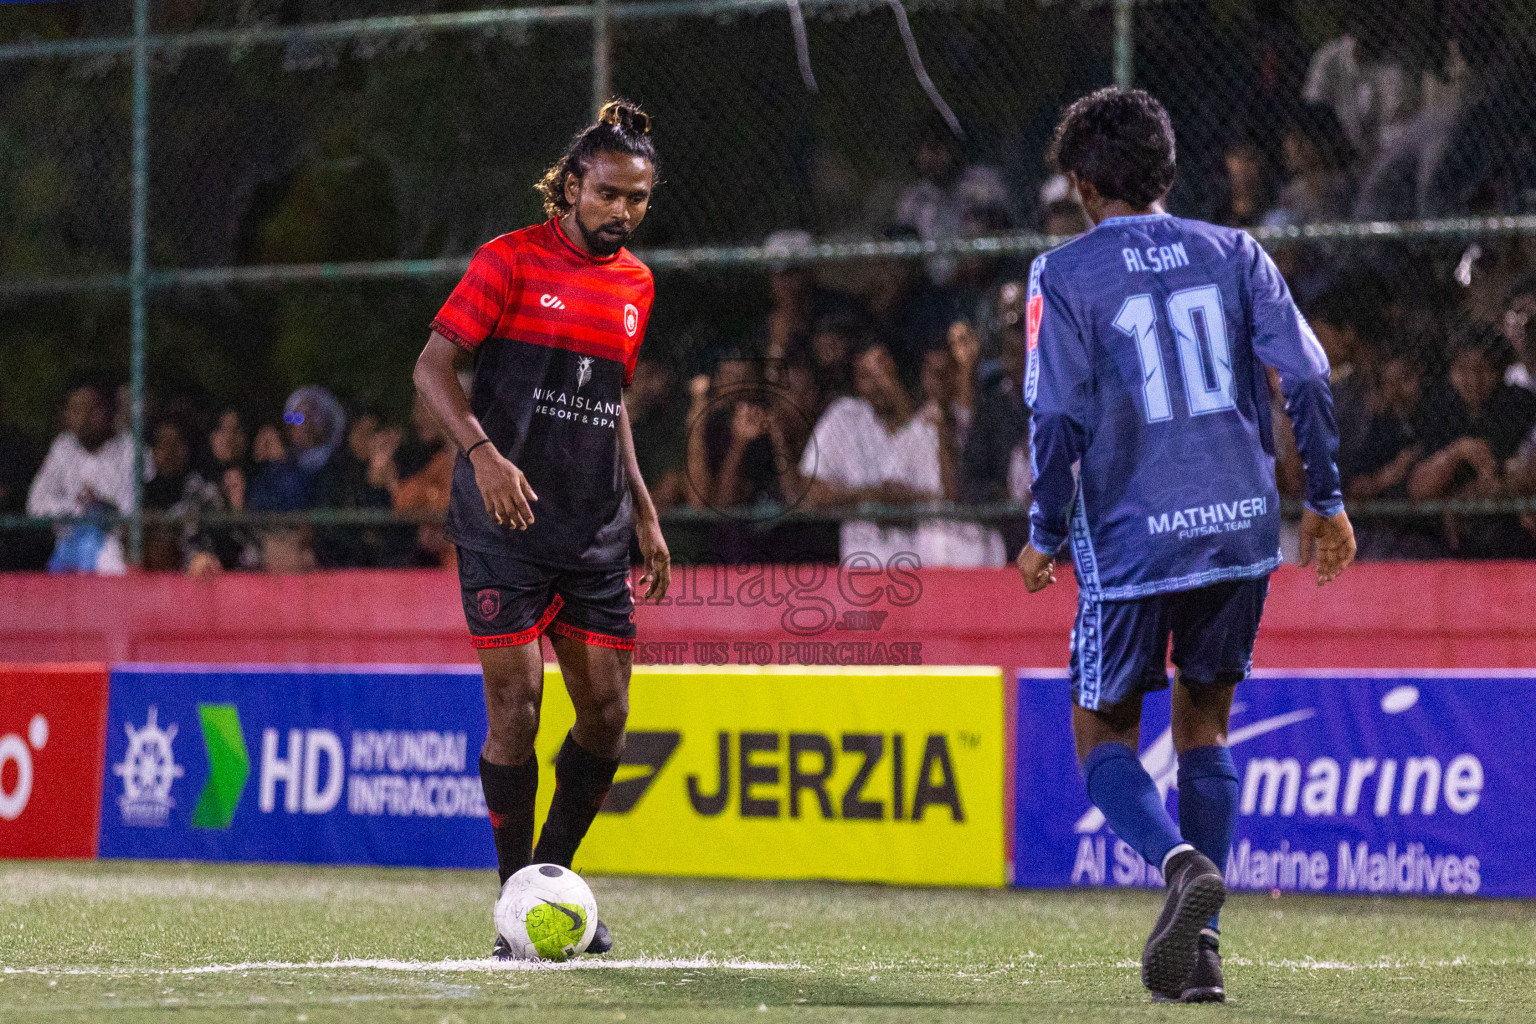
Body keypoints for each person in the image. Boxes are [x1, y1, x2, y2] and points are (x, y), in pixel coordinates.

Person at [1016, 88, 1355, 1003]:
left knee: (1101, 731)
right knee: (1205, 724)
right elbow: (1310, 375)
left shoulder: (1062, 271)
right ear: (1166, 170)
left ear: (1082, 183)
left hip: (1131, 540)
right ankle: (1202, 947)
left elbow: (1054, 415)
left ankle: (1175, 865)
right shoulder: (1235, 250)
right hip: (1241, 531)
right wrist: (1323, 498)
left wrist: (1045, 532)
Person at [412, 99, 669, 959]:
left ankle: (541, 891)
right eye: (608, 195)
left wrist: (643, 505)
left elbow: (610, 401)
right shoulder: (509, 262)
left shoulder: (637, 285)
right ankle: (511, 899)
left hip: (593, 530)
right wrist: (483, 454)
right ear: (570, 187)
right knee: (516, 707)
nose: (621, 212)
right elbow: (432, 365)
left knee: (607, 718)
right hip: (502, 523)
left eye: (636, 199)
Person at [26, 382, 137, 574]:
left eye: (92, 410)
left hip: (113, 550)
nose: (84, 418)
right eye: (76, 410)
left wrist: (100, 506)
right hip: (67, 547)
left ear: (108, 412)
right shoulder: (63, 447)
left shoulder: (128, 449)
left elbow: (130, 508)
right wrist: (77, 509)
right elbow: (35, 504)